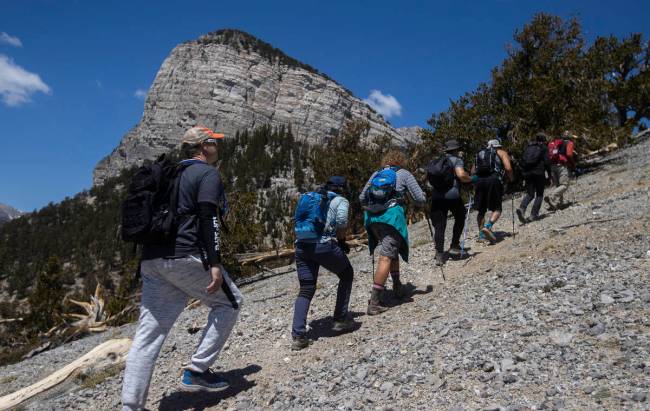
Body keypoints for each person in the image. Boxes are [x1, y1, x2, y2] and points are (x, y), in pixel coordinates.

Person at [122, 126, 243, 411]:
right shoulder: (207, 173)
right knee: (231, 303)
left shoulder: (169, 174)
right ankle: (197, 371)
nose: (218, 146)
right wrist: (214, 263)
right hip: (185, 255)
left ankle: (130, 406)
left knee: (148, 335)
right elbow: (207, 217)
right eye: (214, 141)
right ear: (203, 146)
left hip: (152, 260)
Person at [291, 176, 355, 351]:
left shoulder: (311, 196)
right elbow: (342, 221)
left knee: (306, 288)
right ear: (342, 188)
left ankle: (298, 336)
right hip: (323, 245)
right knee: (346, 274)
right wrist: (341, 242)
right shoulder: (340, 200)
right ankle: (340, 319)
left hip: (302, 246)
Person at [360, 150, 426, 315]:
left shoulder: (377, 173)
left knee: (391, 251)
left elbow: (362, 197)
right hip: (392, 219)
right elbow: (419, 198)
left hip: (373, 220)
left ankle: (397, 287)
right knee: (387, 256)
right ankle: (374, 302)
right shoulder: (404, 174)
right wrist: (423, 196)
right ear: (402, 160)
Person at [428, 139, 476, 266]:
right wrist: (471, 178)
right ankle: (454, 244)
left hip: (437, 197)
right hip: (453, 196)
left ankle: (439, 254)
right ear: (455, 150)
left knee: (440, 225)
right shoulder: (456, 160)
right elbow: (461, 175)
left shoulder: (437, 161)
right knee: (460, 216)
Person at [472, 139, 514, 243]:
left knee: (481, 210)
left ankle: (481, 235)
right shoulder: (501, 152)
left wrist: (474, 184)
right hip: (494, 180)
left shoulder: (479, 154)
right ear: (498, 146)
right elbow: (508, 168)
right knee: (497, 208)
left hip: (479, 182)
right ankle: (488, 226)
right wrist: (511, 179)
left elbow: (473, 171)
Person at [516, 132, 551, 223]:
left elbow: (523, 161)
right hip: (538, 172)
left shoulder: (528, 147)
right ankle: (533, 215)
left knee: (530, 194)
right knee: (539, 194)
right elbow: (547, 163)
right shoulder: (543, 148)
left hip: (527, 173)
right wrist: (549, 175)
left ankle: (522, 209)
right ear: (544, 140)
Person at [545, 131, 576, 211]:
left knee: (558, 185)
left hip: (552, 166)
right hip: (561, 165)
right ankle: (552, 196)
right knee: (564, 185)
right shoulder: (569, 143)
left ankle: (559, 203)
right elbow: (569, 154)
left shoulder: (556, 142)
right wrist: (572, 164)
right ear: (569, 136)